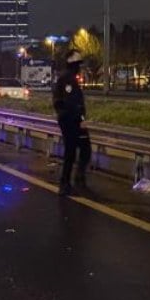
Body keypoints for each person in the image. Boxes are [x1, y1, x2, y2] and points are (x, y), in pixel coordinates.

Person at [52, 51, 91, 196]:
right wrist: (79, 119)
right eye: (78, 65)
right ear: (74, 65)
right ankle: (67, 182)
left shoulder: (69, 78)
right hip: (71, 121)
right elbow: (69, 102)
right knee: (73, 151)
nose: (80, 68)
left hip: (73, 120)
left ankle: (75, 179)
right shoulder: (67, 79)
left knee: (80, 150)